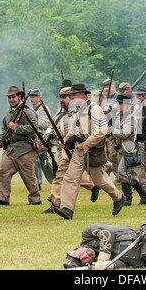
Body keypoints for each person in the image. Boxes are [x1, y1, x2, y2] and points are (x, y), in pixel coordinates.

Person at [54, 84, 125, 220]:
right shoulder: (76, 110)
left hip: (92, 150)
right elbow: (75, 129)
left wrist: (88, 143)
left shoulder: (94, 108)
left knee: (100, 181)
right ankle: (67, 209)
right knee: (70, 178)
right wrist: (67, 138)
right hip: (79, 150)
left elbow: (102, 130)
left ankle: (118, 197)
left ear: (81, 95)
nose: (70, 98)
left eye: (72, 96)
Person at [43, 86, 96, 214]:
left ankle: (55, 205)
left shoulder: (76, 111)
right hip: (63, 149)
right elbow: (54, 127)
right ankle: (93, 186)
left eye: (65, 97)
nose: (62, 100)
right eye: (60, 97)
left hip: (74, 148)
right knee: (66, 176)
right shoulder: (60, 112)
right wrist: (48, 140)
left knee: (63, 176)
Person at [0, 86, 41, 206]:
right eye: (9, 98)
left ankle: (35, 199)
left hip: (25, 148)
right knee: (3, 170)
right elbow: (4, 128)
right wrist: (1, 140)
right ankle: (3, 198)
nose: (11, 100)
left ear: (19, 97)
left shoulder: (27, 111)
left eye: (13, 97)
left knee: (28, 176)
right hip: (11, 148)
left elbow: (34, 128)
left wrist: (16, 127)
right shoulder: (9, 113)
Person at [113, 94, 146, 206]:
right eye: (117, 103)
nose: (118, 106)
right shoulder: (118, 116)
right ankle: (145, 195)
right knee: (132, 176)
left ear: (125, 105)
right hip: (122, 149)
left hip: (129, 149)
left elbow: (124, 134)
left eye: (120, 104)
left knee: (121, 172)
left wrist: (112, 130)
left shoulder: (130, 118)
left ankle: (127, 199)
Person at [29, 88, 53, 189]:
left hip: (41, 137)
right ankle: (55, 179)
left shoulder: (44, 108)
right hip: (32, 137)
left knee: (38, 160)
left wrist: (31, 121)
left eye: (33, 97)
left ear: (39, 97)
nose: (31, 99)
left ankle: (38, 183)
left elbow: (45, 123)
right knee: (42, 160)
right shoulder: (30, 108)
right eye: (30, 97)